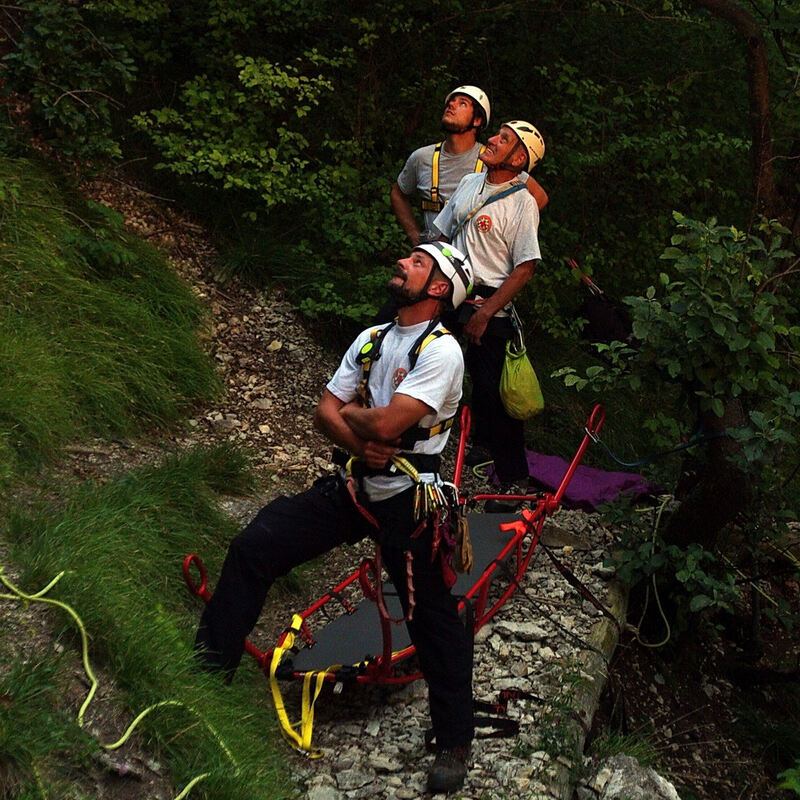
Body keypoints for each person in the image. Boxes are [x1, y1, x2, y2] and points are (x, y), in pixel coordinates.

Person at [194, 242, 477, 794]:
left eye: (419, 263)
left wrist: (354, 418)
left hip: (409, 499)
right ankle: (206, 673)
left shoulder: (442, 352)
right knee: (258, 544)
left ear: (439, 288)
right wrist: (356, 434)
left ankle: (454, 738)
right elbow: (328, 411)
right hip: (356, 486)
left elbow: (391, 422)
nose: (403, 263)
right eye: (408, 259)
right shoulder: (373, 339)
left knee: (431, 619)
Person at [433, 120, 545, 489]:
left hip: (488, 301)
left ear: (518, 160)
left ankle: (513, 478)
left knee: (493, 390)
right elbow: (441, 232)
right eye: (497, 134)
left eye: (504, 140)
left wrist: (485, 312)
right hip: (452, 291)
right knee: (427, 361)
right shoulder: (470, 183)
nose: (493, 140)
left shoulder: (522, 203)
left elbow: (525, 267)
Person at [390, 85, 548, 248]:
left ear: (478, 120)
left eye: (462, 103)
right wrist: (414, 234)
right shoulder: (422, 158)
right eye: (451, 101)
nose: (451, 105)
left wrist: (497, 235)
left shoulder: (492, 161)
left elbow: (539, 197)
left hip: (475, 264)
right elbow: (398, 193)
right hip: (435, 256)